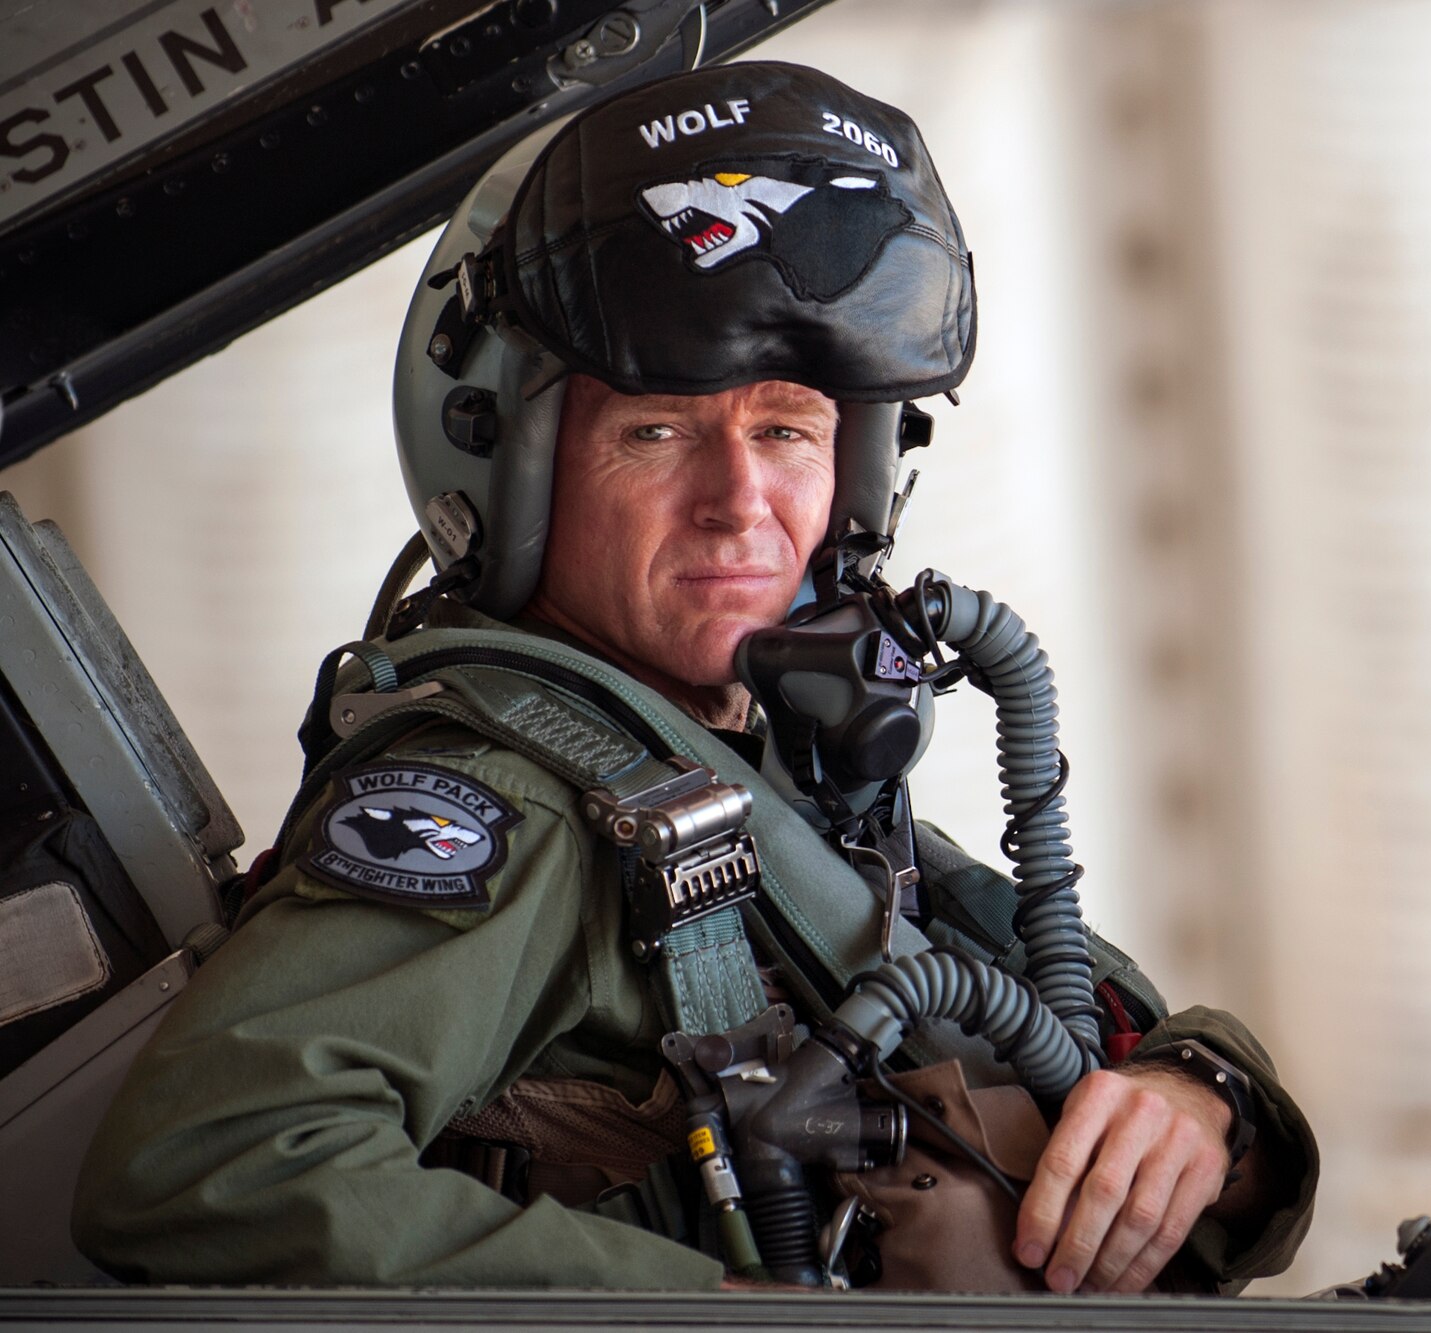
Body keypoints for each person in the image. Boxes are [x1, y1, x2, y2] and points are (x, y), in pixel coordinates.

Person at [73, 62, 1317, 1296]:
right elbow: (212, 1165)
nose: (740, 506)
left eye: (786, 429)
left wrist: (1197, 1102)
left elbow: (1079, 1020)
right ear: (517, 468)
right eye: (656, 430)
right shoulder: (511, 797)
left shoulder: (757, 773)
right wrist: (711, 1315)